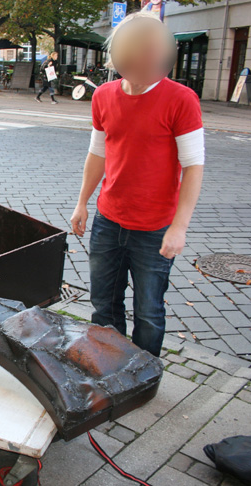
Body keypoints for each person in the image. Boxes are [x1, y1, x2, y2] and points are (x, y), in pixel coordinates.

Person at [70, 12, 204, 358]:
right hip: (108, 221)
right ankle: (111, 364)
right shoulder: (104, 96)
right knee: (103, 304)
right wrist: (82, 201)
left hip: (155, 229)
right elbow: (97, 153)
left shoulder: (181, 99)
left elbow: (193, 167)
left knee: (148, 311)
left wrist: (179, 227)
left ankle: (144, 372)